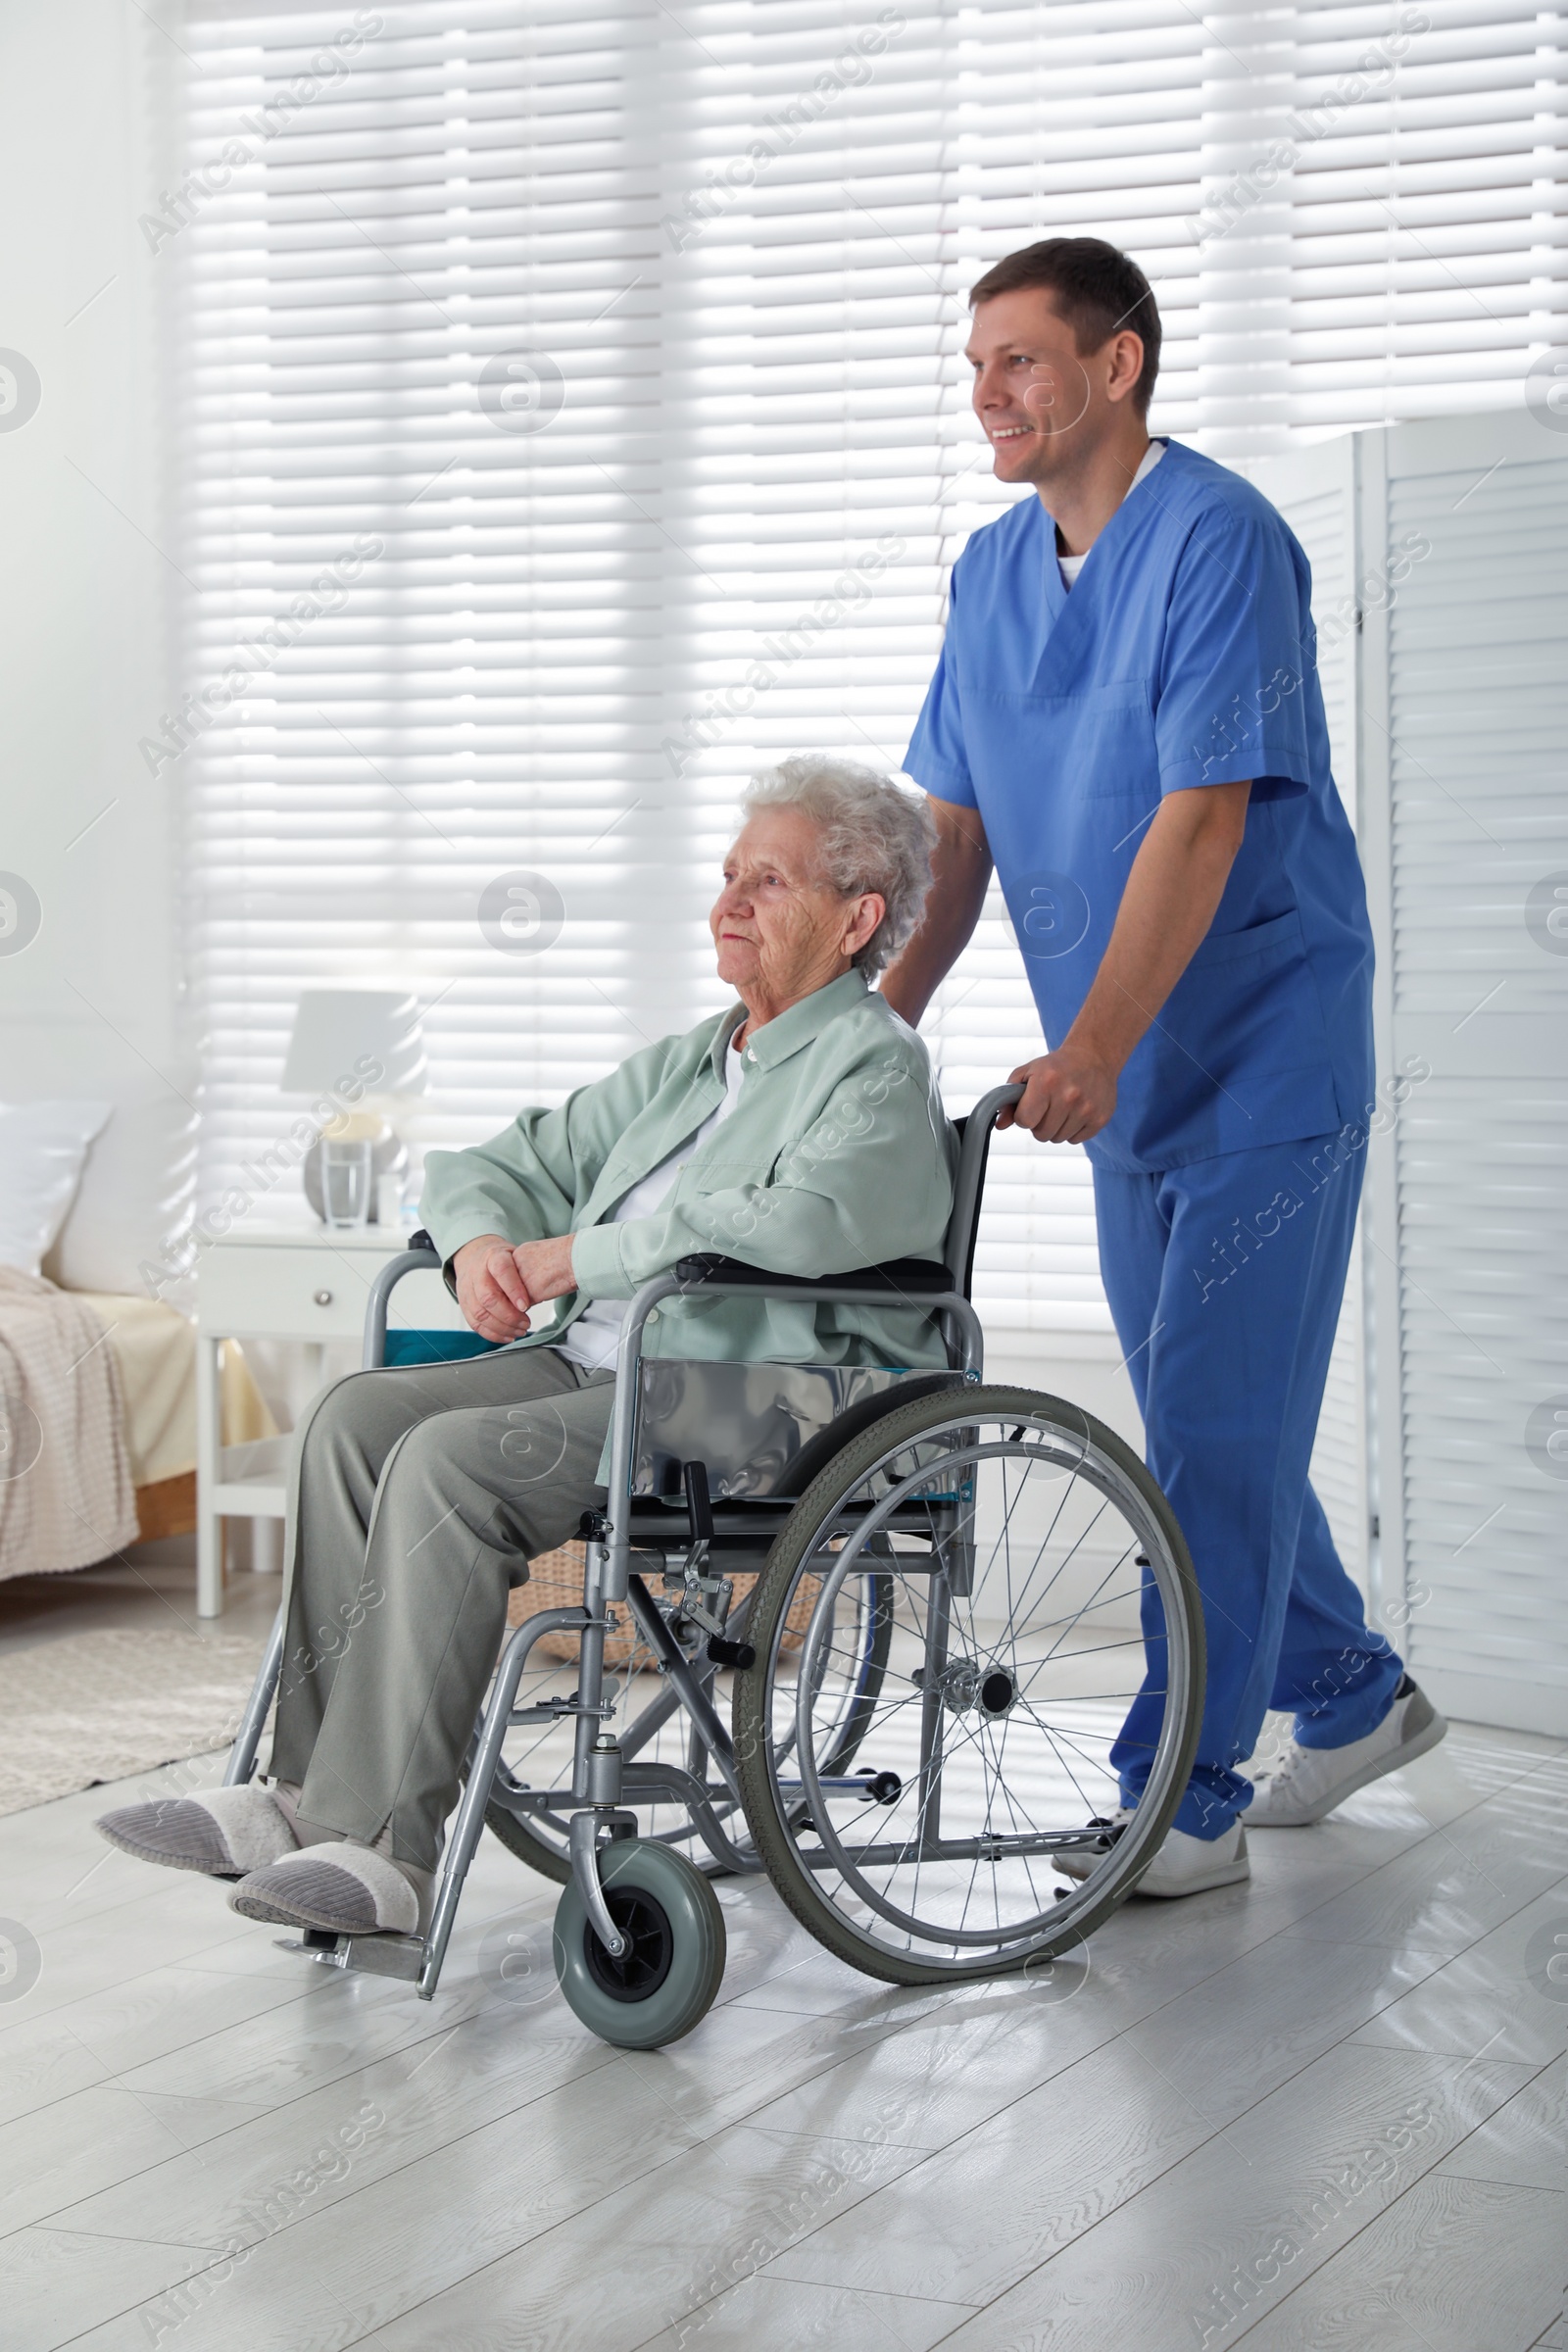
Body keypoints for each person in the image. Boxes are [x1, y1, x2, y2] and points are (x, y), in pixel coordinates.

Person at [99, 758, 955, 1936]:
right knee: (355, 1419)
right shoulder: (695, 1063)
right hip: (603, 1368)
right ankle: (298, 1794)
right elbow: (485, 1164)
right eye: (726, 875)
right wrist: (482, 1247)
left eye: (769, 879)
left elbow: (798, 1226)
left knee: (453, 1463)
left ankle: (386, 1851)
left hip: (758, 1400)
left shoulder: (875, 1066)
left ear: (858, 918)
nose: (728, 903)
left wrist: (580, 1258)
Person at [880, 236, 1445, 1898]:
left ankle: (1179, 1801)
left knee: (1205, 1431)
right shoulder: (990, 575)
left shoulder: (1221, 542)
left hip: (1259, 1058)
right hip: (1126, 1078)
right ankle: (1347, 1692)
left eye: (1020, 360)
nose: (984, 391)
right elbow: (958, 828)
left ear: (1117, 365)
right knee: (1219, 1432)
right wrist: (878, 1012)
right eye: (973, 362)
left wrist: (1099, 1046)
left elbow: (1203, 816)